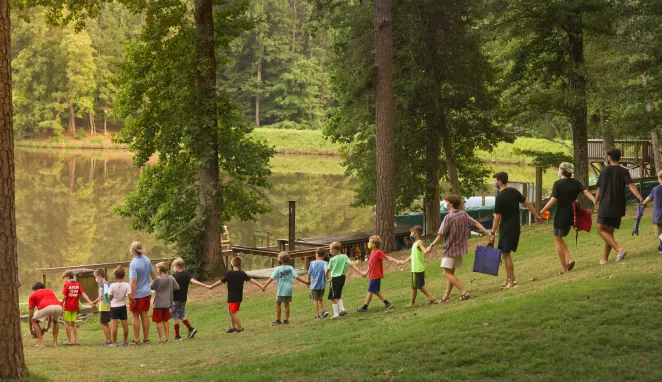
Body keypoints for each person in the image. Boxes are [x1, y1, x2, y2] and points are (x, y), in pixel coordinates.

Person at [428, 195, 492, 301]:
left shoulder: (448, 217)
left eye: (446, 201)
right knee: (451, 273)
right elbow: (475, 223)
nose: (445, 203)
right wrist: (487, 232)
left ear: (451, 204)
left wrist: (431, 246)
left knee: (446, 273)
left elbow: (441, 234)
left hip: (450, 250)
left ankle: (464, 292)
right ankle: (446, 297)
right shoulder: (464, 214)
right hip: (460, 249)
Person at [540, 162, 597, 274]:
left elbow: (553, 200)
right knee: (560, 237)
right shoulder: (576, 182)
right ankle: (569, 260)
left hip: (561, 215)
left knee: (557, 239)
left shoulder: (558, 184)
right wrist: (595, 201)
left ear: (561, 171)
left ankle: (564, 268)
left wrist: (542, 210)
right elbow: (586, 192)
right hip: (571, 214)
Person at [492, 172, 543, 289]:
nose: (494, 183)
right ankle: (508, 278)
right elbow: (528, 203)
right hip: (516, 226)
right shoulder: (514, 191)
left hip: (506, 228)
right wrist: (536, 215)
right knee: (505, 253)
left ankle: (513, 281)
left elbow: (497, 217)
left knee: (506, 254)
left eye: (495, 180)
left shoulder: (500, 197)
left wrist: (492, 233)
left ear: (500, 181)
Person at [595, 148, 645, 263]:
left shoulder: (604, 171)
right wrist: (640, 197)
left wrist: (595, 201)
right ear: (619, 158)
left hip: (606, 205)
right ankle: (605, 259)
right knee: (609, 233)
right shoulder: (624, 172)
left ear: (609, 158)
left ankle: (619, 249)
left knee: (601, 230)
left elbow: (599, 188)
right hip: (618, 206)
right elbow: (631, 185)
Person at [208, 256, 265, 333]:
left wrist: (212, 286)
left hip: (232, 297)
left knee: (233, 312)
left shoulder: (229, 273)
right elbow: (252, 280)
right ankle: (233, 327)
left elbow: (220, 281)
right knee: (230, 311)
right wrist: (261, 286)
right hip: (238, 296)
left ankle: (240, 328)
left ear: (232, 264)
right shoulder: (242, 273)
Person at [261, 252, 310, 326]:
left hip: (281, 290)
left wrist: (264, 286)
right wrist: (306, 282)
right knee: (287, 304)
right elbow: (297, 277)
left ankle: (278, 320)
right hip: (289, 290)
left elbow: (271, 278)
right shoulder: (290, 268)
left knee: (278, 304)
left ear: (280, 260)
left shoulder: (278, 269)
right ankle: (286, 320)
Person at [356, 235, 400, 312]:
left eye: (369, 242)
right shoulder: (372, 252)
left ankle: (365, 307)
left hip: (376, 275)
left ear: (374, 245)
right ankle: (387, 303)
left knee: (370, 291)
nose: (368, 243)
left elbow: (387, 257)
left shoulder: (378, 252)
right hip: (372, 274)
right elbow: (371, 265)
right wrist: (366, 272)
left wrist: (396, 261)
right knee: (376, 291)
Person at [171, 258, 209, 340]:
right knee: (181, 314)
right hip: (183, 298)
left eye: (174, 266)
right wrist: (205, 285)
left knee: (175, 316)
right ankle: (191, 329)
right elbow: (194, 281)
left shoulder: (173, 276)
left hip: (175, 298)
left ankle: (177, 336)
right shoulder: (187, 274)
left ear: (177, 266)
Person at [128, 241, 156, 345]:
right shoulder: (147, 260)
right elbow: (153, 274)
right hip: (147, 292)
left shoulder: (133, 264)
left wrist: (131, 296)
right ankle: (146, 339)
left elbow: (133, 281)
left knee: (135, 316)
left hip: (137, 294)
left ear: (133, 251)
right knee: (144, 315)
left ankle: (136, 340)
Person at [326, 241, 363, 319]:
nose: (330, 250)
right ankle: (342, 310)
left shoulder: (332, 259)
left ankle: (336, 314)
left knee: (333, 296)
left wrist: (325, 275)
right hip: (342, 278)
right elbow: (352, 265)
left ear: (335, 250)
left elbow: (328, 269)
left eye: (330, 249)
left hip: (335, 279)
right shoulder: (344, 256)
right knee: (338, 294)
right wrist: (361, 272)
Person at [402, 225, 437, 306]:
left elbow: (424, 250)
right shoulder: (414, 244)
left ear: (415, 234)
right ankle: (430, 298)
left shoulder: (419, 243)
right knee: (419, 285)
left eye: (411, 233)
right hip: (417, 268)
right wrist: (404, 261)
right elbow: (412, 255)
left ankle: (412, 303)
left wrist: (427, 250)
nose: (410, 235)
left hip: (417, 269)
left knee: (415, 287)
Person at [60, 270, 94, 345]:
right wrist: (89, 302)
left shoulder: (67, 285)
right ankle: (76, 340)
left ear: (68, 277)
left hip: (68, 307)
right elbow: (83, 294)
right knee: (73, 323)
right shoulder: (77, 284)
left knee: (66, 323)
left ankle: (69, 341)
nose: (64, 281)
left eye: (64, 278)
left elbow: (64, 297)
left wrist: (60, 304)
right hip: (75, 307)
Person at [150, 261, 180, 344]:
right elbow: (177, 287)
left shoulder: (157, 279)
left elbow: (151, 287)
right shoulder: (171, 278)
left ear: (159, 269)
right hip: (167, 303)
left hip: (158, 303)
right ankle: (166, 337)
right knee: (165, 320)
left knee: (158, 321)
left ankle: (160, 338)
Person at [28, 282, 62, 347]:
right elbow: (50, 312)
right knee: (55, 321)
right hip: (59, 306)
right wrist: (48, 326)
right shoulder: (50, 291)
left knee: (34, 321)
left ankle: (41, 343)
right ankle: (55, 343)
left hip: (46, 306)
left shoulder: (33, 295)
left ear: (34, 289)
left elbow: (31, 312)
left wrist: (30, 328)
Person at [108, 265, 131, 347]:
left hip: (114, 307)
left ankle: (114, 343)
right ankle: (125, 341)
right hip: (122, 306)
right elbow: (129, 295)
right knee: (125, 324)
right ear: (123, 275)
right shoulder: (126, 285)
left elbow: (110, 297)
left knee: (114, 325)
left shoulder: (112, 285)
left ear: (115, 276)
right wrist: (133, 301)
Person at [642, 170, 662, 253]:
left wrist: (643, 203)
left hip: (658, 215)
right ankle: (661, 248)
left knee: (659, 233)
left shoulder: (656, 189)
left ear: (660, 178)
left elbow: (649, 198)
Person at [91, 268, 113, 346]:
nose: (96, 279)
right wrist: (95, 302)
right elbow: (101, 295)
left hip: (104, 306)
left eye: (96, 277)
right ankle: (108, 339)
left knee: (103, 323)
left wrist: (108, 303)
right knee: (105, 323)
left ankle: (108, 340)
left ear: (100, 276)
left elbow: (107, 294)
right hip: (103, 306)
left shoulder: (105, 284)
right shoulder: (102, 284)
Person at [308, 248, 329, 320]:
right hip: (322, 285)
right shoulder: (325, 263)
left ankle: (317, 315)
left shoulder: (312, 263)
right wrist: (326, 274)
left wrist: (308, 282)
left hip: (314, 285)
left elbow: (309, 273)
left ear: (316, 254)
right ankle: (324, 311)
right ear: (323, 256)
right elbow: (326, 269)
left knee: (315, 299)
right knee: (321, 298)